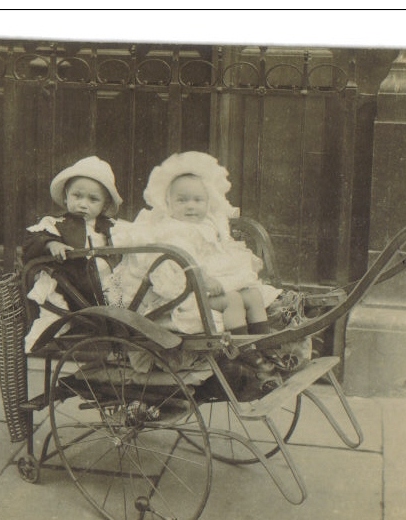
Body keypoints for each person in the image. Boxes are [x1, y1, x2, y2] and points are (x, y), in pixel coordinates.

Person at [107, 151, 282, 390]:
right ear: (168, 203)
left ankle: (266, 346)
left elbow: (220, 256)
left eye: (198, 200)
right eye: (182, 200)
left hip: (209, 286)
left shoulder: (208, 226)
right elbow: (169, 270)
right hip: (185, 295)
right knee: (232, 300)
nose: (191, 206)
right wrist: (203, 279)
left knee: (252, 294)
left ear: (208, 202)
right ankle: (244, 352)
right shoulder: (169, 230)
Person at [22, 156, 123, 351]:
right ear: (67, 196)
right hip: (73, 287)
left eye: (93, 199)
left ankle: (119, 323)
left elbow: (128, 239)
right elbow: (33, 240)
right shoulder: (56, 224)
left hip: (105, 284)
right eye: (77, 196)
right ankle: (62, 323)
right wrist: (52, 243)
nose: (83, 204)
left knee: (125, 285)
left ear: (104, 204)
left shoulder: (110, 227)